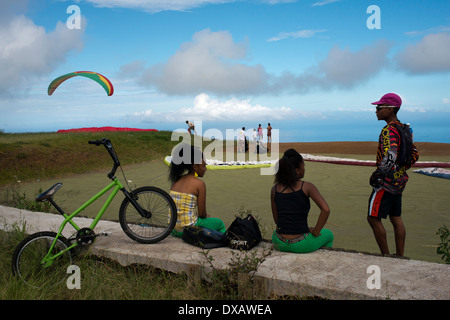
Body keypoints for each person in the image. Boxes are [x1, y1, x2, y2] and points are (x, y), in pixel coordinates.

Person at [367, 93, 419, 257]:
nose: (376, 111)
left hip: (386, 184)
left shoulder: (388, 130)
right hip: (400, 182)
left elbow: (391, 155)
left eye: (379, 108)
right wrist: (401, 171)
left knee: (373, 218)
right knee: (396, 217)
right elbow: (415, 154)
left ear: (390, 109)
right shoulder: (405, 128)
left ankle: (386, 256)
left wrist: (379, 174)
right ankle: (400, 255)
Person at [270, 149, 333, 253]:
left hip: (279, 242)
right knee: (329, 234)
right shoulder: (307, 187)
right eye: (303, 166)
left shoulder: (275, 189)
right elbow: (326, 209)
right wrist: (316, 231)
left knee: (275, 232)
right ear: (297, 171)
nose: (304, 168)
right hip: (300, 244)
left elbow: (277, 220)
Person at [169, 144, 226, 237]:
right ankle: (221, 241)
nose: (206, 169)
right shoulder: (199, 184)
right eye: (203, 166)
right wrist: (206, 215)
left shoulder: (176, 180)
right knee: (219, 223)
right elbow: (202, 213)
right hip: (188, 230)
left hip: (174, 230)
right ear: (195, 167)